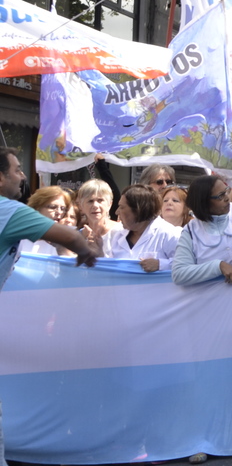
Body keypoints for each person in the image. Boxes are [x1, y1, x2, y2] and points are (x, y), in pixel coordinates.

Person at [0, 148, 96, 466]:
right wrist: (87, 252)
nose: (22, 175)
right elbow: (71, 237)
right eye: (16, 170)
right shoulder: (9, 210)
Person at [104, 185, 181, 271]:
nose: (116, 212)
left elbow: (186, 264)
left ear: (138, 210)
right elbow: (110, 270)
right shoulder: (119, 235)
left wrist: (160, 264)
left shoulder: (169, 234)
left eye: (122, 207)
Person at [16, 186, 75, 256]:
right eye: (53, 207)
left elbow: (75, 262)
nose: (59, 212)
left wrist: (63, 250)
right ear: (37, 209)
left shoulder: (67, 240)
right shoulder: (20, 235)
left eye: (63, 209)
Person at [75, 179, 120, 253]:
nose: (95, 206)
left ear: (109, 204)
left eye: (100, 200)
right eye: (90, 201)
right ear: (81, 206)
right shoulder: (79, 236)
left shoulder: (121, 232)